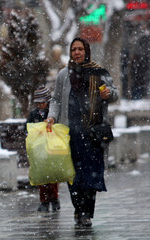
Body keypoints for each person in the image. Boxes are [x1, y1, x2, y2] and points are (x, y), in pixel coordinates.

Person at [45, 37, 119, 227]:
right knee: (74, 176)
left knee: (91, 175)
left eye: (80, 49)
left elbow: (115, 92)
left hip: (93, 133)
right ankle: (78, 209)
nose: (77, 52)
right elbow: (56, 100)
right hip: (70, 133)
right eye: (73, 49)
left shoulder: (99, 72)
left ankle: (86, 212)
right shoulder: (64, 74)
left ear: (86, 51)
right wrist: (52, 117)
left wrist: (108, 93)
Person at [26, 86, 60, 212]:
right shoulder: (33, 115)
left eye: (43, 102)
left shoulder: (51, 114)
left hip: (51, 148)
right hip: (39, 149)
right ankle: (44, 201)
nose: (41, 105)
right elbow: (28, 128)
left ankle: (54, 198)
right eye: (38, 103)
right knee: (41, 176)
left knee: (52, 176)